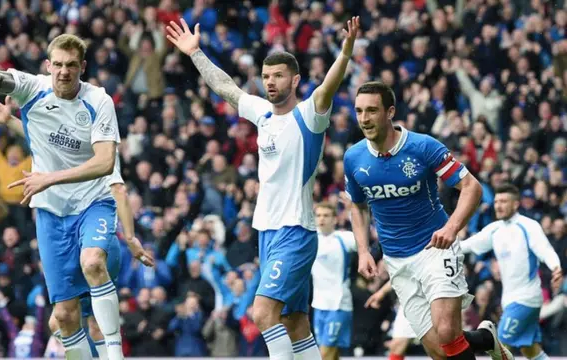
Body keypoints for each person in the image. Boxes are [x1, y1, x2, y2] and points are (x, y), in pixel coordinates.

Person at [166, 16, 360, 360]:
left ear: (295, 79)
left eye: (279, 76)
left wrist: (344, 53)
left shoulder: (308, 117)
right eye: (267, 76)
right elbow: (226, 87)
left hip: (295, 230)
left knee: (263, 314)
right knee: (294, 321)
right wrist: (196, 53)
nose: (271, 82)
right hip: (267, 231)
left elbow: (328, 87)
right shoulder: (262, 114)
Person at [0, 33, 152, 360]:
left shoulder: (98, 101)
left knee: (93, 261)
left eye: (71, 65)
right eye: (57, 64)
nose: (63, 71)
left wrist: (129, 236)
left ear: (82, 67)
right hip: (51, 214)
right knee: (63, 319)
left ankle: (115, 354)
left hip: (93, 204)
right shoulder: (33, 87)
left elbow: (105, 164)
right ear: (47, 65)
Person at [343, 81, 513, 360]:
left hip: (435, 249)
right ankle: (486, 339)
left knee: (447, 332)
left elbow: (472, 188)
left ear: (390, 112)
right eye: (359, 111)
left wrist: (451, 227)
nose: (364, 118)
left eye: (372, 110)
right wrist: (363, 251)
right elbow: (358, 207)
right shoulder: (354, 158)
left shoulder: (423, 147)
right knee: (439, 350)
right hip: (397, 262)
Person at [460, 184, 563, 360]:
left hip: (526, 298)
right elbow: (468, 245)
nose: (498, 205)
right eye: (496, 201)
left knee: (498, 344)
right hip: (510, 299)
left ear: (516, 204)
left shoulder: (528, 226)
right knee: (529, 350)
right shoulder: (495, 229)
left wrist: (556, 267)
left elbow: (546, 250)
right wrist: (442, 247)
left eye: (504, 201)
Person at [310, 202, 356, 360]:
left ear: (335, 219)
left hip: (339, 303)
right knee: (332, 354)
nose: (321, 219)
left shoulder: (344, 238)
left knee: (324, 353)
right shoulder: (310, 239)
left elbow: (365, 240)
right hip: (318, 304)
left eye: (326, 215)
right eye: (318, 215)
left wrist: (354, 212)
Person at [366, 280, 418, 360]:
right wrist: (382, 292)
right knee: (396, 346)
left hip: (432, 295)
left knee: (436, 347)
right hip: (409, 299)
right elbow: (399, 272)